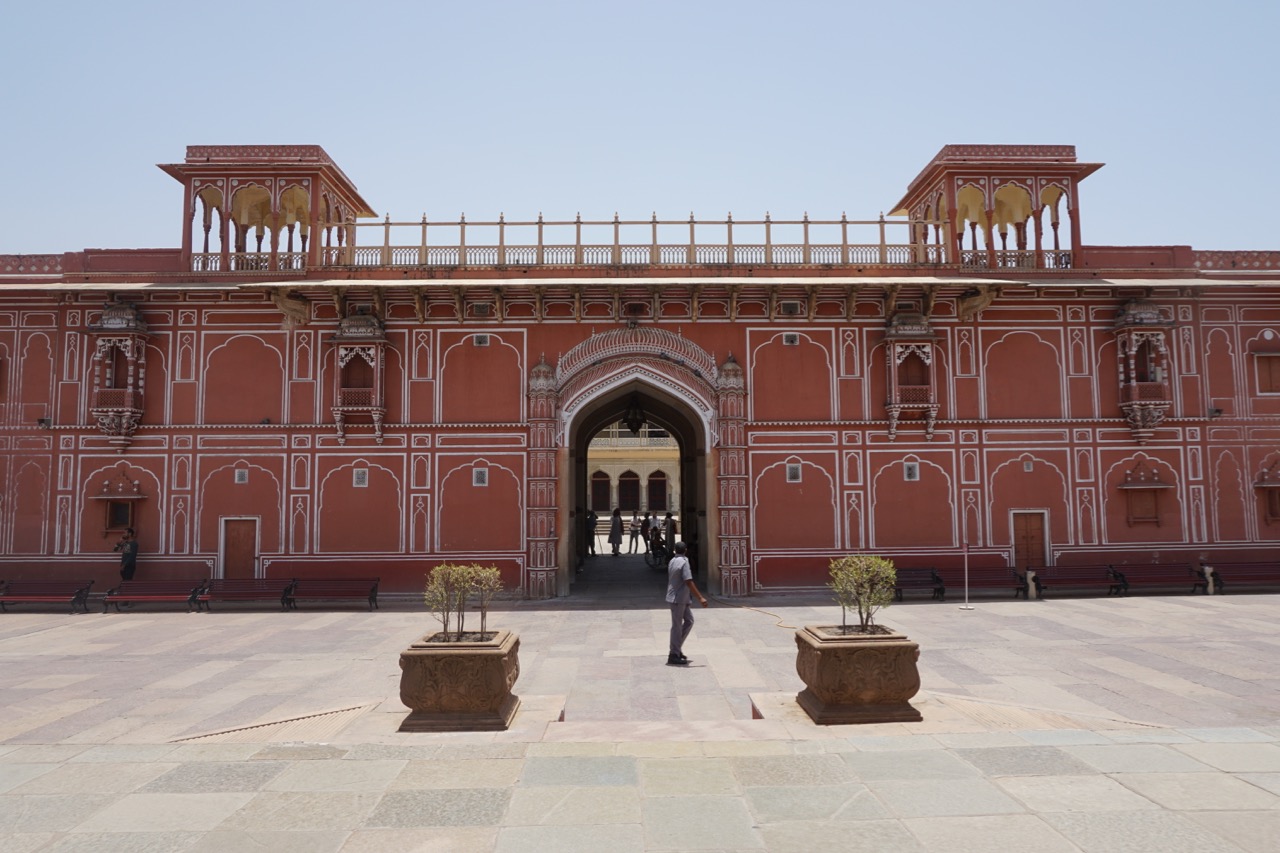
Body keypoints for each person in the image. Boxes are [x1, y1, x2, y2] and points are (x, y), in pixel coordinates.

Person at [665, 541, 707, 666]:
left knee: (689, 621)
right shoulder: (684, 562)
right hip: (677, 598)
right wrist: (700, 598)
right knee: (677, 626)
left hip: (680, 598)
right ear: (686, 550)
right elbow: (688, 580)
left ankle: (676, 648)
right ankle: (673, 654)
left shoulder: (673, 560)